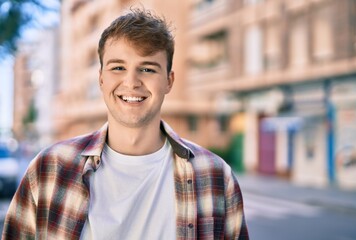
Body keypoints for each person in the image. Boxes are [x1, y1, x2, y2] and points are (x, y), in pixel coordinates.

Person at [2, 8, 249, 240]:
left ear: (169, 81)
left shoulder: (216, 176)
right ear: (101, 79)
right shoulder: (49, 169)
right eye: (118, 67)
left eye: (148, 69)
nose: (131, 82)